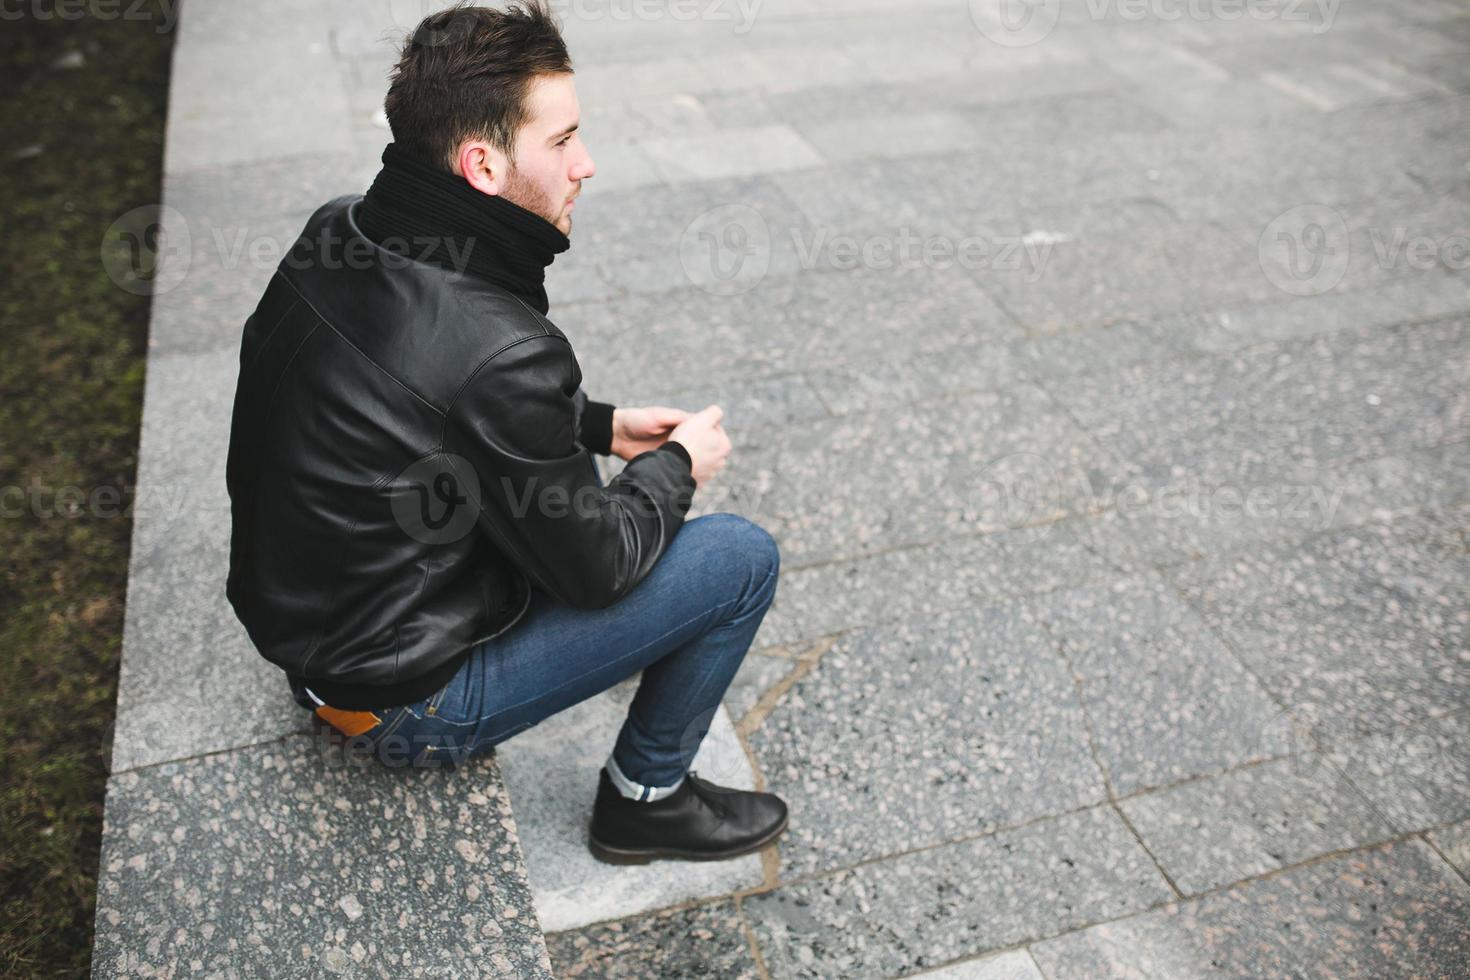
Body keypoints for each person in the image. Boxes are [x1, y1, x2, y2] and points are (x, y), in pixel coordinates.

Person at [223, 0, 788, 864]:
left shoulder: (338, 228)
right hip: (405, 702)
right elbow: (596, 569)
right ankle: (646, 800)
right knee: (739, 558)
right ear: (481, 164)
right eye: (562, 142)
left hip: (314, 651)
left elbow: (422, 396)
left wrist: (600, 427)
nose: (586, 165)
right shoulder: (503, 348)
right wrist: (676, 465)